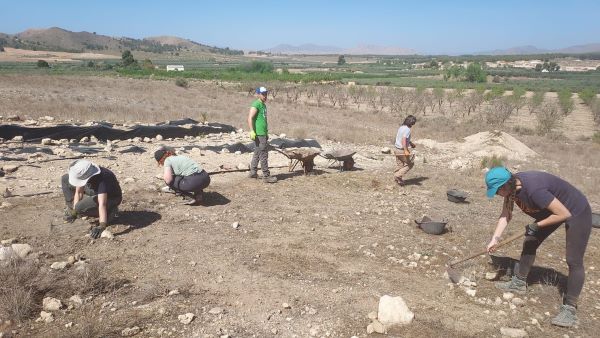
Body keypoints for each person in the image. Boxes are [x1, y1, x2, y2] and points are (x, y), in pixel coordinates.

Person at [485, 166, 592, 327]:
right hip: (552, 209)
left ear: (506, 185)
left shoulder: (534, 190)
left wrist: (537, 225)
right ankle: (519, 283)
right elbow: (506, 214)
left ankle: (570, 309)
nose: (497, 194)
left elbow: (563, 214)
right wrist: (495, 238)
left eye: (497, 190)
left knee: (573, 259)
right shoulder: (512, 188)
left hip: (576, 210)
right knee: (531, 239)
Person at [62, 159, 122, 239]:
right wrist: (74, 212)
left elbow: (102, 204)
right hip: (94, 190)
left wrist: (102, 226)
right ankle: (73, 211)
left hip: (111, 198)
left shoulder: (102, 179)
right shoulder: (86, 173)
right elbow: (79, 192)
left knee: (79, 207)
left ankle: (110, 212)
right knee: (65, 179)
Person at [247, 86, 277, 183]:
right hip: (259, 134)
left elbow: (263, 120)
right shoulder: (256, 104)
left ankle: (253, 172)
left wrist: (266, 133)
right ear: (258, 94)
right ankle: (266, 176)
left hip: (262, 133)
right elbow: (250, 118)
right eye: (263, 94)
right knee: (263, 154)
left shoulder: (263, 105)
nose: (265, 96)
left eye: (266, 94)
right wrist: (252, 131)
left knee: (257, 153)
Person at [393, 115, 417, 186]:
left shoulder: (401, 127)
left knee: (400, 165)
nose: (413, 125)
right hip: (401, 150)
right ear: (411, 123)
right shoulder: (407, 130)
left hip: (396, 149)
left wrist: (411, 143)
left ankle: (397, 179)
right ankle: (397, 175)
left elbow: (404, 138)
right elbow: (403, 139)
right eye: (413, 123)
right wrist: (406, 150)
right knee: (410, 164)